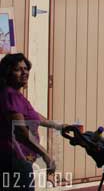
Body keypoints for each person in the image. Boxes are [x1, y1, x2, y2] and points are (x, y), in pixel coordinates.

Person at [0, 53, 65, 190]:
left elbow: (33, 115)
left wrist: (58, 125)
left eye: (26, 68)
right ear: (8, 73)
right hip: (15, 160)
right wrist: (46, 155)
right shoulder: (10, 95)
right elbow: (20, 131)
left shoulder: (16, 95)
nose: (24, 72)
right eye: (18, 69)